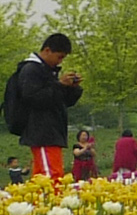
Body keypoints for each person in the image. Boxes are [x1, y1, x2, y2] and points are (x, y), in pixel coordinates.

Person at [6, 33, 83, 180]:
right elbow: (33, 98)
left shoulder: (46, 71)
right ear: (47, 50)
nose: (60, 61)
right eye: (59, 57)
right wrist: (59, 85)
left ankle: (41, 202)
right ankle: (52, 202)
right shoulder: (31, 70)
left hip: (51, 132)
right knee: (50, 176)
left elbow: (62, 101)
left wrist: (72, 88)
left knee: (43, 176)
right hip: (42, 132)